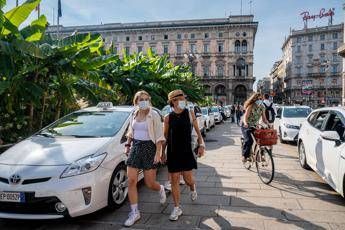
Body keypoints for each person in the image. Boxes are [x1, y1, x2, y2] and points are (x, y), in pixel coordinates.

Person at [124, 90, 166, 227]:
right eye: (141, 99)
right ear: (136, 101)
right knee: (131, 181)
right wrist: (128, 145)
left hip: (149, 148)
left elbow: (159, 136)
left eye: (146, 99)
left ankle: (160, 189)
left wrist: (158, 153)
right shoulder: (134, 113)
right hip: (136, 147)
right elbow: (131, 131)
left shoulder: (153, 115)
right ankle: (135, 212)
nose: (144, 101)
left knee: (149, 183)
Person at [163, 89, 205, 221]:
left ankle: (192, 187)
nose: (183, 101)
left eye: (183, 98)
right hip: (173, 151)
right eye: (181, 99)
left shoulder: (189, 113)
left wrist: (201, 144)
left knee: (188, 180)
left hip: (186, 150)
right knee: (174, 180)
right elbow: (165, 136)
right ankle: (177, 208)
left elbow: (198, 131)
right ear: (173, 102)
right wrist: (162, 152)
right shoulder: (167, 117)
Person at [241, 93, 269, 162]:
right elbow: (245, 117)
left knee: (261, 140)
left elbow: (264, 118)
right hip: (246, 125)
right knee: (249, 140)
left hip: (254, 125)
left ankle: (262, 155)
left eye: (261, 99)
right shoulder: (251, 106)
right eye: (258, 99)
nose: (260, 100)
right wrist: (245, 123)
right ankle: (245, 156)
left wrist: (268, 125)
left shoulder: (262, 107)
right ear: (254, 99)